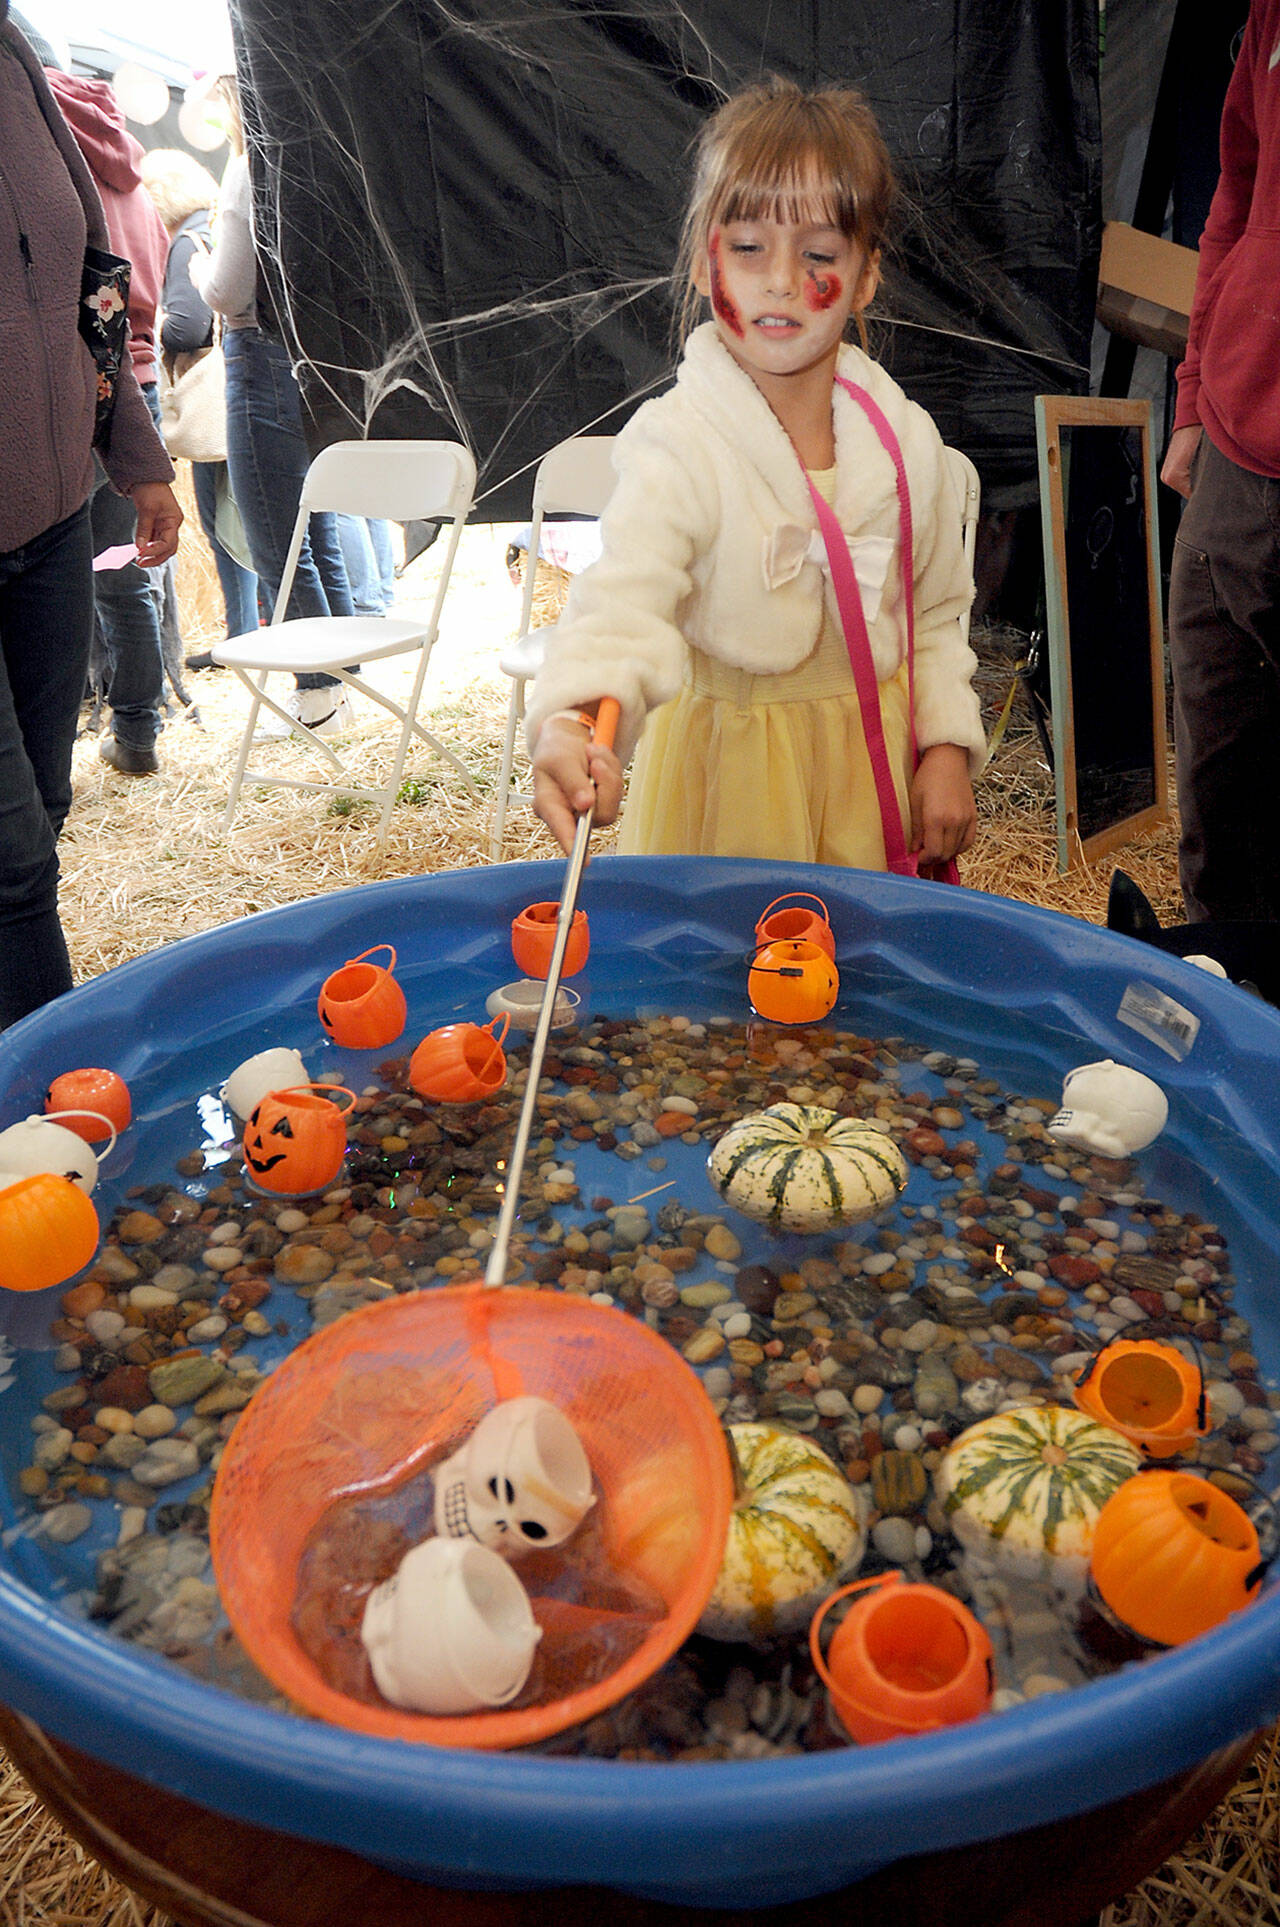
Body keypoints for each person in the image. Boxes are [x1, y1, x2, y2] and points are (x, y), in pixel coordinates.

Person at [528, 79, 984, 869]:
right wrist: (570, 721)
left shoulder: (908, 443)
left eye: (818, 255)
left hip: (862, 788)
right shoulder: (678, 445)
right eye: (747, 248)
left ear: (866, 275)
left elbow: (935, 614)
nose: (779, 280)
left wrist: (944, 747)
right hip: (724, 792)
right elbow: (621, 606)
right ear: (707, 264)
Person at [1, 0, 181, 1027]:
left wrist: (136, 455)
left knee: (43, 813)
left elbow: (91, 284)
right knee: (13, 857)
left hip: (59, 519)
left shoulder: (16, 52)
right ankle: (44, 1118)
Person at [1161, 0, 1280, 925]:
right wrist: (1196, 395)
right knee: (1215, 780)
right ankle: (1227, 995)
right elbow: (1236, 188)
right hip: (1236, 455)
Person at [193, 77, 356, 735]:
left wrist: (201, 264)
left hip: (256, 356)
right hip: (304, 355)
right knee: (316, 532)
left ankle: (318, 698)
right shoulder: (302, 160)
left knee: (276, 541)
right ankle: (343, 685)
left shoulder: (244, 170)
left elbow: (229, 290)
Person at [45, 66, 173, 776]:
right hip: (138, 383)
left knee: (57, 578)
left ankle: (51, 755)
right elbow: (146, 273)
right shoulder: (130, 170)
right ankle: (136, 735)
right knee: (125, 577)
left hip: (70, 390)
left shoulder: (43, 146)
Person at [139, 146, 261, 658]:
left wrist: (150, 324)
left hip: (217, 403)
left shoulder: (186, 241)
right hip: (238, 395)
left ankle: (243, 635)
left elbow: (189, 326)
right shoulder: (209, 226)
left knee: (229, 528)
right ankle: (249, 631)